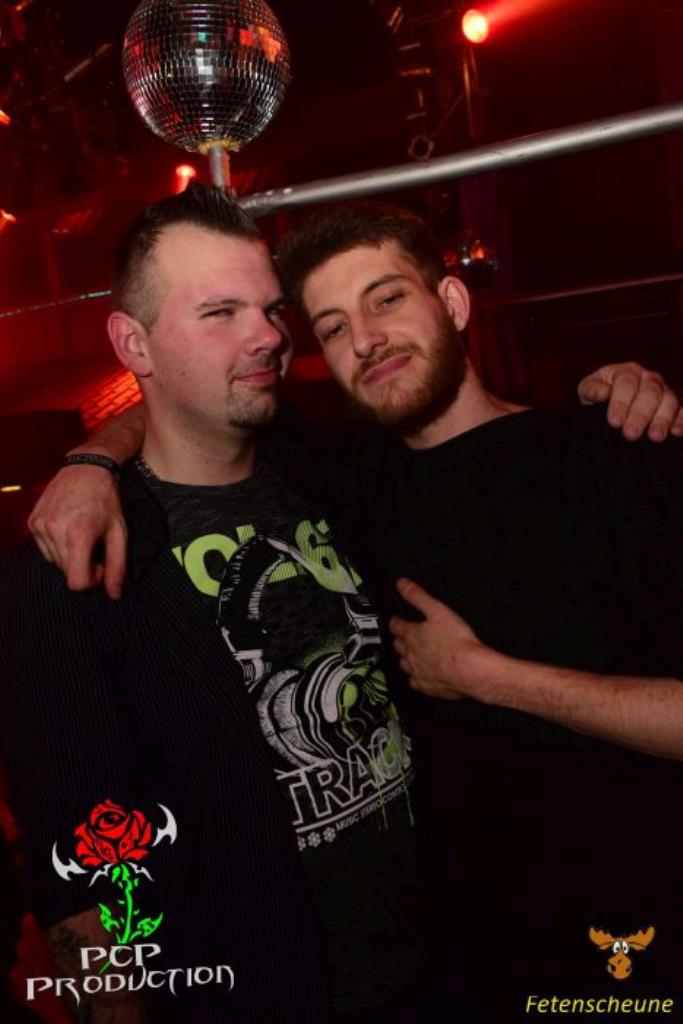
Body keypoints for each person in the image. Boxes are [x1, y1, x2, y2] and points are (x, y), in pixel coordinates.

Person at [25, 195, 683, 1017]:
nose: (360, 339)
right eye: (331, 327)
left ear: (452, 301)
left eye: (387, 298)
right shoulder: (321, 481)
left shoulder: (608, 454)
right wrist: (90, 460)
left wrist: (484, 676)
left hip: (603, 948)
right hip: (382, 976)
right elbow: (78, 857)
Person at [0, 186, 441, 1024]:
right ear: (133, 343)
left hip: (447, 967)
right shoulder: (66, 571)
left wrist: (609, 399)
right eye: (219, 312)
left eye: (270, 308)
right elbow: (81, 871)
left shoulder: (326, 469)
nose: (268, 335)